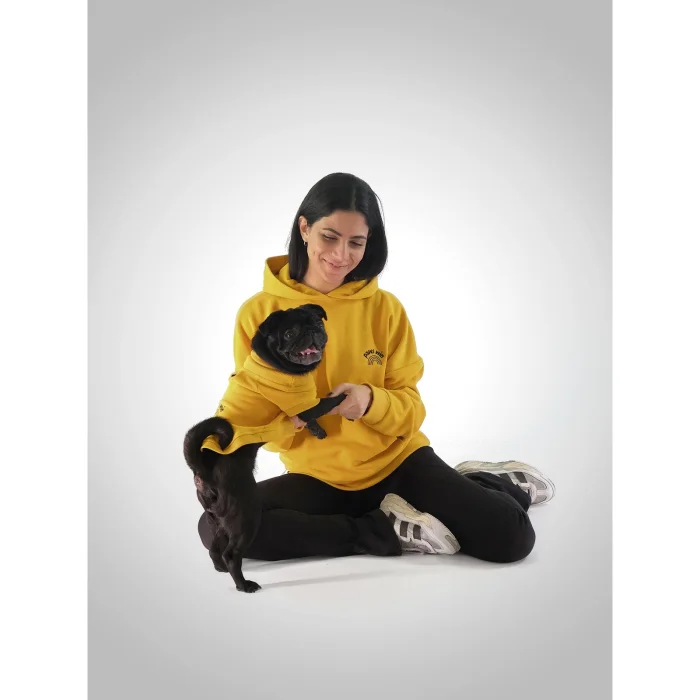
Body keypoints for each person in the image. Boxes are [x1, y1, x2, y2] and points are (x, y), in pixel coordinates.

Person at [198, 172, 555, 563]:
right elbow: (251, 409)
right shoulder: (259, 314)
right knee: (219, 528)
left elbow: (412, 410)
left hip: (399, 462)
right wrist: (242, 445)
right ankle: (381, 530)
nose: (341, 255)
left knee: (511, 539)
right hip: (318, 477)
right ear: (304, 229)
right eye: (329, 237)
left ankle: (485, 482)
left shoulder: (386, 309)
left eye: (356, 242)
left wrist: (370, 402)